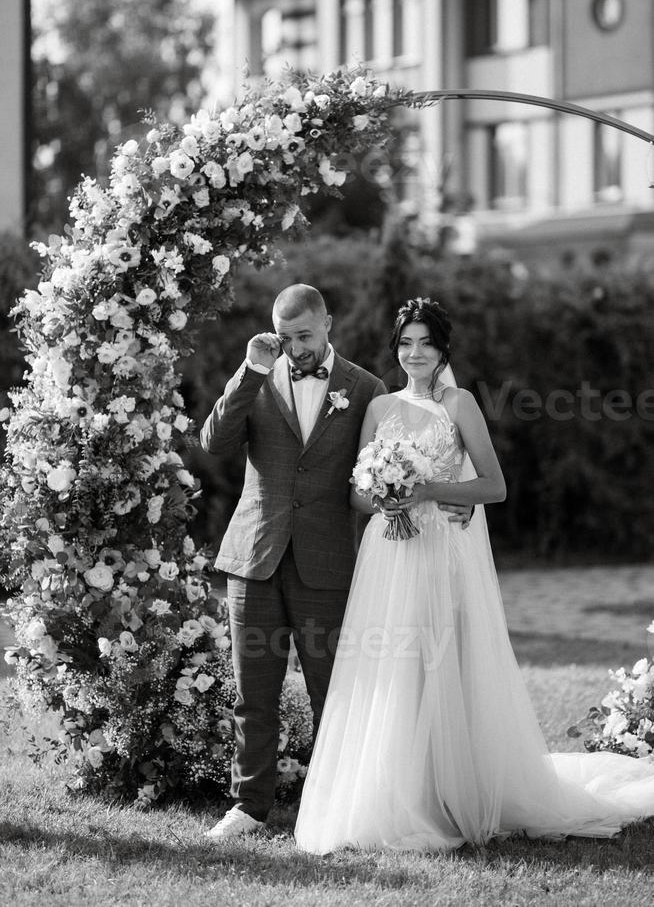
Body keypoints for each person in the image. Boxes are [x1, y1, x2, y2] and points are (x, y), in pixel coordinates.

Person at [295, 297, 654, 853]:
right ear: (396, 348)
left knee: (444, 664)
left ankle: (452, 790)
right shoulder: (379, 406)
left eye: (425, 343)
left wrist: (429, 490)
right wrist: (385, 500)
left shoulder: (459, 404)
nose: (414, 353)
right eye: (405, 343)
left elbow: (493, 486)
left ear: (442, 348)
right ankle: (394, 791)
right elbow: (354, 495)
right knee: (393, 666)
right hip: (388, 559)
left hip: (440, 552)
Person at [199, 284, 472, 840]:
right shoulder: (259, 375)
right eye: (284, 335)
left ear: (328, 323)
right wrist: (251, 370)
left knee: (335, 692)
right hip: (254, 557)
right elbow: (214, 441)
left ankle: (329, 803)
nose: (294, 347)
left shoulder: (366, 390)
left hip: (327, 562)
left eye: (304, 335)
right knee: (254, 693)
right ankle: (249, 806)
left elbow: (401, 465)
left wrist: (450, 503)